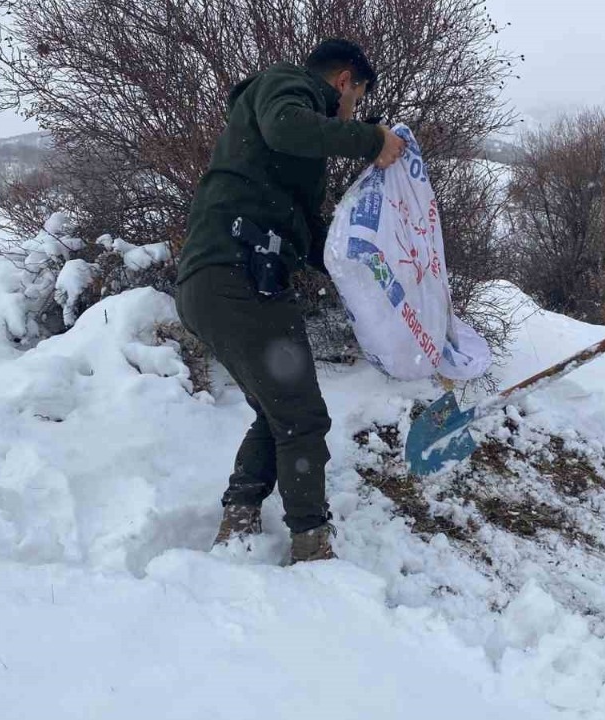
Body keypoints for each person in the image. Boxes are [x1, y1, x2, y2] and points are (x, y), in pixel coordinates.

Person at [174, 38, 405, 562]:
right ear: (345, 80)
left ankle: (240, 515)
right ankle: (311, 543)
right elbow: (288, 125)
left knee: (276, 410)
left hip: (215, 282)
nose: (353, 111)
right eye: (358, 98)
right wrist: (372, 140)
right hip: (239, 276)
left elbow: (316, 240)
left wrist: (374, 277)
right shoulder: (285, 86)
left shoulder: (282, 148)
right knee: (302, 418)